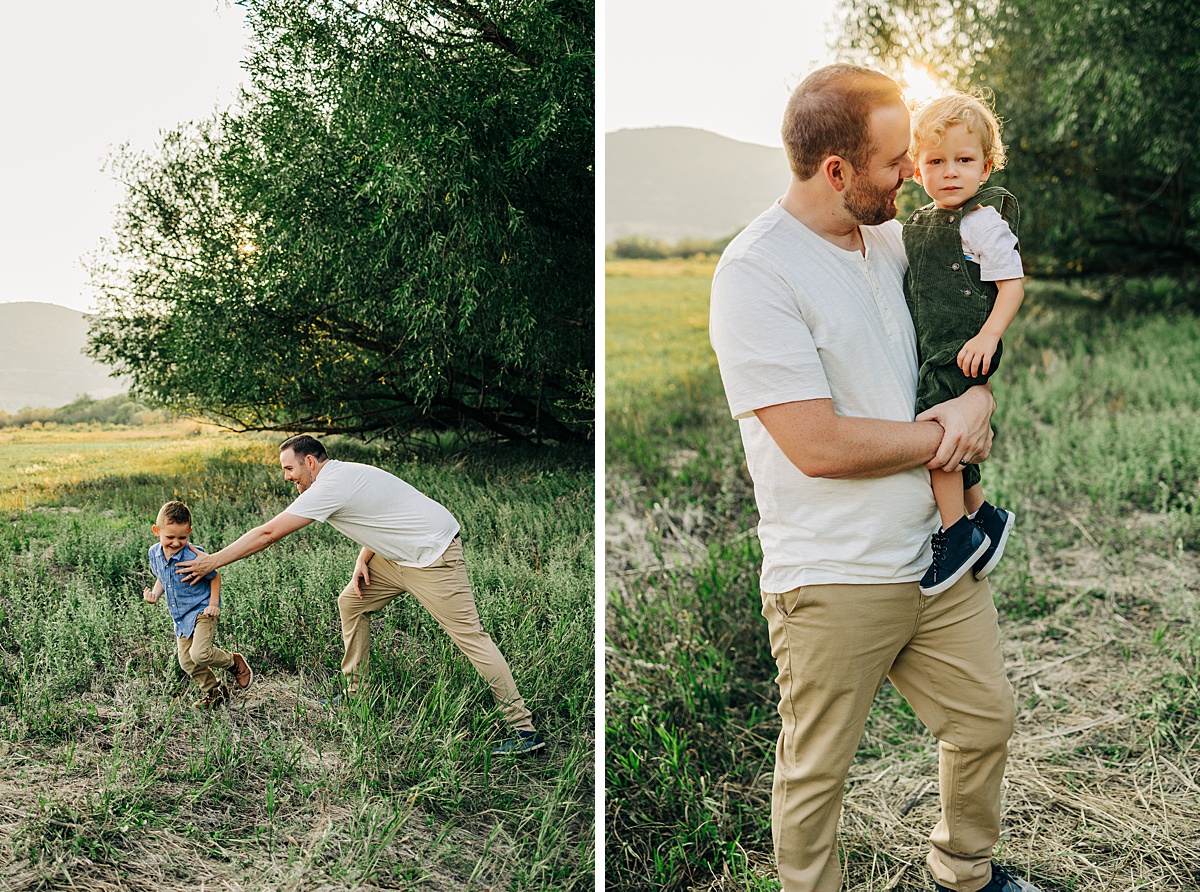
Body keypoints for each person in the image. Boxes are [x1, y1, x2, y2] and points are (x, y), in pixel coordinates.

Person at [708, 64, 1040, 892]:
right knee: (817, 773)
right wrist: (946, 431)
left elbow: (961, 346)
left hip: (936, 554)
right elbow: (815, 444)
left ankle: (964, 873)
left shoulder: (899, 238)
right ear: (837, 171)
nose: (914, 174)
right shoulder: (755, 272)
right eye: (898, 161)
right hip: (833, 571)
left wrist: (978, 394)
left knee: (984, 720)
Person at [175, 435, 544, 756]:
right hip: (398, 556)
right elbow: (381, 513)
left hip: (433, 556)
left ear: (309, 461)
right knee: (351, 601)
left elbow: (268, 533)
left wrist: (213, 561)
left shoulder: (330, 485)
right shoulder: (342, 475)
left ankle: (523, 728)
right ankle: (357, 693)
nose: (287, 477)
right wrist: (364, 558)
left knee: (471, 638)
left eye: (289, 469)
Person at [906, 92, 1024, 596]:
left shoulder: (982, 222)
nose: (950, 172)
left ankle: (957, 534)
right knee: (945, 428)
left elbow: (1011, 285)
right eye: (936, 161)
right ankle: (986, 516)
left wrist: (988, 335)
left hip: (964, 345)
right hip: (936, 344)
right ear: (917, 170)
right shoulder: (916, 225)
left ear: (986, 166)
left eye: (964, 160)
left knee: (939, 437)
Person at [143, 500, 254, 709]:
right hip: (181, 616)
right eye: (170, 537)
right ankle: (216, 692)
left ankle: (233, 662)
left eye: (182, 537)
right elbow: (163, 577)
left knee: (200, 654)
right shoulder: (154, 553)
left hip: (203, 609)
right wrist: (155, 595)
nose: (176, 543)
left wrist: (213, 604)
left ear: (190, 532)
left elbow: (215, 576)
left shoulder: (194, 555)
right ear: (156, 531)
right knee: (186, 662)